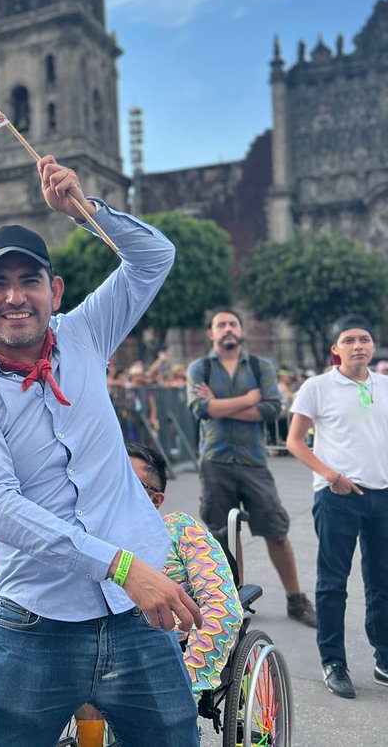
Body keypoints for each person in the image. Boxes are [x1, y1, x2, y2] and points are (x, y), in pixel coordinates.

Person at [0, 156, 203, 747]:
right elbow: (0, 508)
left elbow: (155, 257)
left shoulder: (85, 333)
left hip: (136, 615)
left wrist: (85, 211)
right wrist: (121, 565)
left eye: (29, 281)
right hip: (38, 621)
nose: (15, 297)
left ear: (54, 290)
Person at [73, 442, 243, 745]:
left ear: (155, 499)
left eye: (129, 482)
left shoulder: (181, 530)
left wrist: (184, 685)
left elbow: (222, 607)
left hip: (167, 652)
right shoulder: (84, 539)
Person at [187, 308, 315, 627]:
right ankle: (235, 600)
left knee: (275, 527)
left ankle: (295, 599)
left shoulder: (260, 366)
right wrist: (248, 399)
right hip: (215, 461)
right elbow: (201, 409)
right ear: (211, 333)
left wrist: (222, 406)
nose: (228, 329)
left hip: (253, 461)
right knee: (223, 534)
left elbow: (272, 408)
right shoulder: (199, 367)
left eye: (233, 323)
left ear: (240, 330)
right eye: (221, 324)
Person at [286, 315, 388, 699]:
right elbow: (295, 440)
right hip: (337, 495)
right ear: (336, 349)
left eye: (364, 339)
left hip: (382, 494)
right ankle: (334, 662)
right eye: (349, 340)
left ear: (373, 347)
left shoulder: (384, 385)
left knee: (382, 583)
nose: (358, 345)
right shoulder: (318, 387)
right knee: (333, 584)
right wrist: (331, 475)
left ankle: (384, 660)